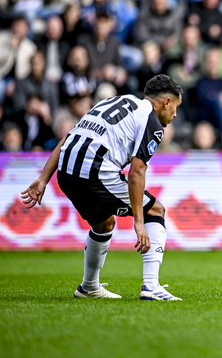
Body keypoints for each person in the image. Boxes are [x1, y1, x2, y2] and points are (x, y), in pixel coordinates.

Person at [21, 74, 184, 300]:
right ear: (166, 102)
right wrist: (139, 221)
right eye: (175, 107)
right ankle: (151, 286)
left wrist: (43, 179)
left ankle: (88, 287)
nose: (175, 114)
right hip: (94, 172)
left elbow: (70, 136)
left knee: (104, 224)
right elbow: (136, 173)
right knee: (156, 210)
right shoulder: (152, 122)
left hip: (66, 172)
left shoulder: (113, 101)